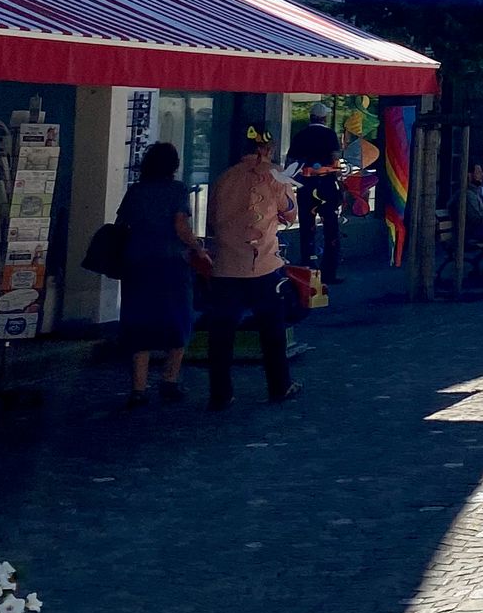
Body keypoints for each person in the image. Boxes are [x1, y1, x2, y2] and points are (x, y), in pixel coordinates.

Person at [203, 132, 298, 410]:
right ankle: (279, 385)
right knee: (272, 329)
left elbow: (211, 221)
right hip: (263, 265)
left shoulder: (224, 178)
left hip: (226, 266)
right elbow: (290, 213)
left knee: (221, 334)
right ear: (267, 148)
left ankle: (220, 394)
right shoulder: (276, 175)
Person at [116, 140, 209, 407]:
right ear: (173, 166)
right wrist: (197, 247)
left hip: (137, 263)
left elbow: (123, 223)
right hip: (170, 263)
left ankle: (138, 388)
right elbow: (181, 226)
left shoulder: (136, 191)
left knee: (139, 324)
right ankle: (169, 381)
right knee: (177, 321)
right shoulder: (177, 190)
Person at [287, 103, 344, 285]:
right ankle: (329, 272)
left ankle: (307, 268)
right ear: (324, 118)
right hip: (326, 186)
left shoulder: (300, 136)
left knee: (307, 227)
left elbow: (290, 163)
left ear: (310, 117)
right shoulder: (329, 135)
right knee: (331, 229)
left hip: (306, 186)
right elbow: (336, 161)